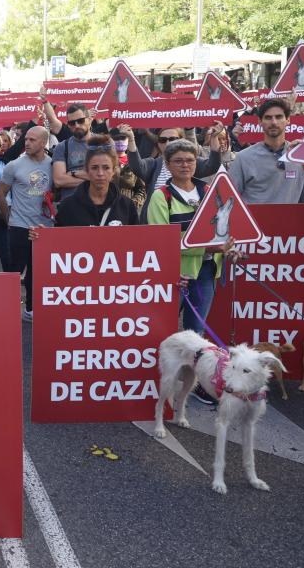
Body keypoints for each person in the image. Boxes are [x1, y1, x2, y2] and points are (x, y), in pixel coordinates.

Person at [146, 138, 240, 404]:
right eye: (178, 161)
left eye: (189, 160)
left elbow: (225, 227)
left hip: (208, 271)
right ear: (168, 165)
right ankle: (151, 379)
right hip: (174, 276)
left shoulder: (209, 190)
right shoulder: (160, 196)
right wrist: (205, 246)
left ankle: (193, 382)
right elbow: (159, 241)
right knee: (159, 328)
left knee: (195, 335)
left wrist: (228, 246)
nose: (185, 165)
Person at [0, 126, 53, 322]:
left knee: (38, 271)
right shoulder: (14, 165)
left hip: (45, 228)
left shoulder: (54, 164)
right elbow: (0, 194)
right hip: (20, 225)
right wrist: (9, 219)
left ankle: (31, 308)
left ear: (43, 143)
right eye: (26, 139)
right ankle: (6, 309)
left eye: (32, 140)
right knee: (14, 270)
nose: (27, 143)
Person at [228, 98, 304, 204]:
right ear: (260, 121)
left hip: (288, 220)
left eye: (279, 117)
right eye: (268, 118)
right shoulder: (243, 158)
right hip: (253, 220)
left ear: (288, 120)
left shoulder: (298, 155)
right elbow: (230, 197)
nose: (274, 122)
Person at [119, 124, 222, 209]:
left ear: (181, 140)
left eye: (173, 139)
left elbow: (212, 166)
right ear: (158, 144)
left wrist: (214, 137)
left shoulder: (189, 162)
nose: (168, 143)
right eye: (163, 140)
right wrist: (131, 139)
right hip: (158, 221)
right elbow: (137, 167)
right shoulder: (153, 164)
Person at [53, 135, 140, 227]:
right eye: (94, 168)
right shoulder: (68, 207)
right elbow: (58, 239)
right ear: (87, 170)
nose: (100, 173)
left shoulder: (127, 206)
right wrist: (40, 235)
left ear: (113, 171)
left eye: (106, 168)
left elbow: (136, 239)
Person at [50, 103, 94, 199]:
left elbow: (110, 177)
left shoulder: (104, 143)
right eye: (72, 123)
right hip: (71, 206)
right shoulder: (62, 147)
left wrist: (73, 173)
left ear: (90, 119)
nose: (76, 125)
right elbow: (59, 181)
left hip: (99, 205)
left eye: (80, 121)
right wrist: (94, 180)